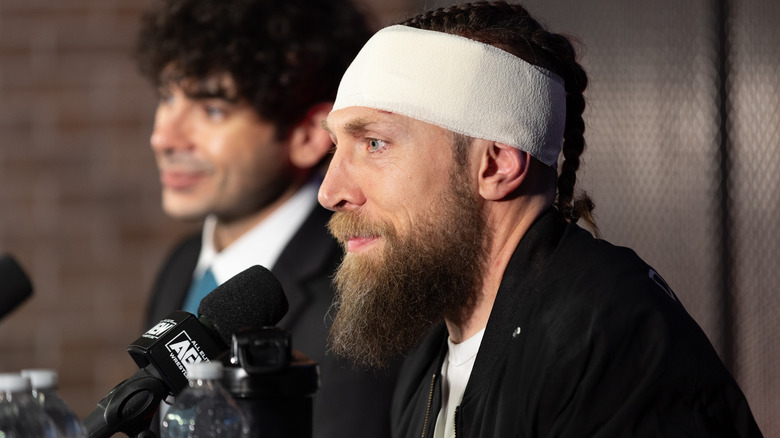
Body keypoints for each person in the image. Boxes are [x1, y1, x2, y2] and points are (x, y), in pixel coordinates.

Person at [317, 2, 764, 437]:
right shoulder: (429, 353)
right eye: (336, 147)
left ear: (495, 166)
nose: (330, 192)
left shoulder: (605, 337)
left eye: (374, 144)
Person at [134, 0, 398, 436]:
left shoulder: (362, 280)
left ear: (309, 135)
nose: (163, 136)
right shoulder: (180, 265)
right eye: (167, 97)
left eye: (212, 108)